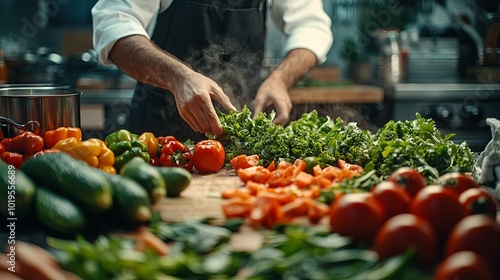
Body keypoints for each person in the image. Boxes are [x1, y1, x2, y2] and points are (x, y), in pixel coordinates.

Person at [92, 0, 333, 141]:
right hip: (158, 136)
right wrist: (178, 78)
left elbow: (311, 25)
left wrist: (280, 80)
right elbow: (112, 22)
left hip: (238, 135)